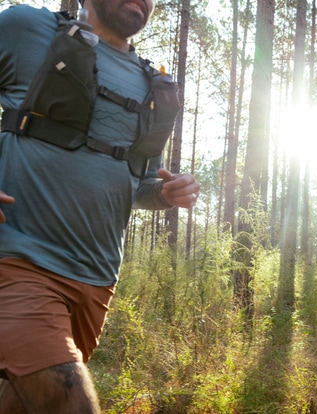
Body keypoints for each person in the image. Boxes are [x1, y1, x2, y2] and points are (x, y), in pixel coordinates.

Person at [0, 0, 200, 411]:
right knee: (72, 405)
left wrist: (166, 194)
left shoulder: (155, 86)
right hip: (18, 262)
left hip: (95, 280)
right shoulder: (25, 28)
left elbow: (141, 183)